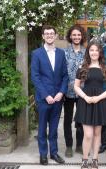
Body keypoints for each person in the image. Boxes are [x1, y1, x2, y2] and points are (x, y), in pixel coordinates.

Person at [31, 25, 68, 165]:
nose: (49, 36)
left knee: (53, 128)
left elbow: (65, 76)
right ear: (43, 36)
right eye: (47, 34)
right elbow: (35, 77)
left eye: (52, 33)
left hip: (58, 98)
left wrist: (61, 93)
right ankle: (43, 154)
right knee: (42, 128)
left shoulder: (61, 53)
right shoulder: (36, 53)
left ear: (56, 35)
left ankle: (53, 153)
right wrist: (46, 95)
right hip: (43, 98)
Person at [74, 41, 106, 169]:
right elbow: (76, 86)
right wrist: (85, 97)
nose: (94, 52)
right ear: (88, 52)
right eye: (92, 50)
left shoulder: (105, 68)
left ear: (100, 52)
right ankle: (85, 159)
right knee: (88, 134)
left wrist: (98, 98)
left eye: (96, 50)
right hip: (86, 102)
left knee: (97, 134)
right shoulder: (82, 67)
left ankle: (95, 159)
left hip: (100, 102)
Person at [63, 24, 86, 158]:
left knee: (81, 119)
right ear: (70, 36)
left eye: (79, 35)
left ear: (82, 36)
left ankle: (79, 145)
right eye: (74, 35)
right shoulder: (64, 52)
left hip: (83, 92)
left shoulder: (86, 52)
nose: (76, 37)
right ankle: (69, 146)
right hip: (68, 92)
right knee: (67, 119)